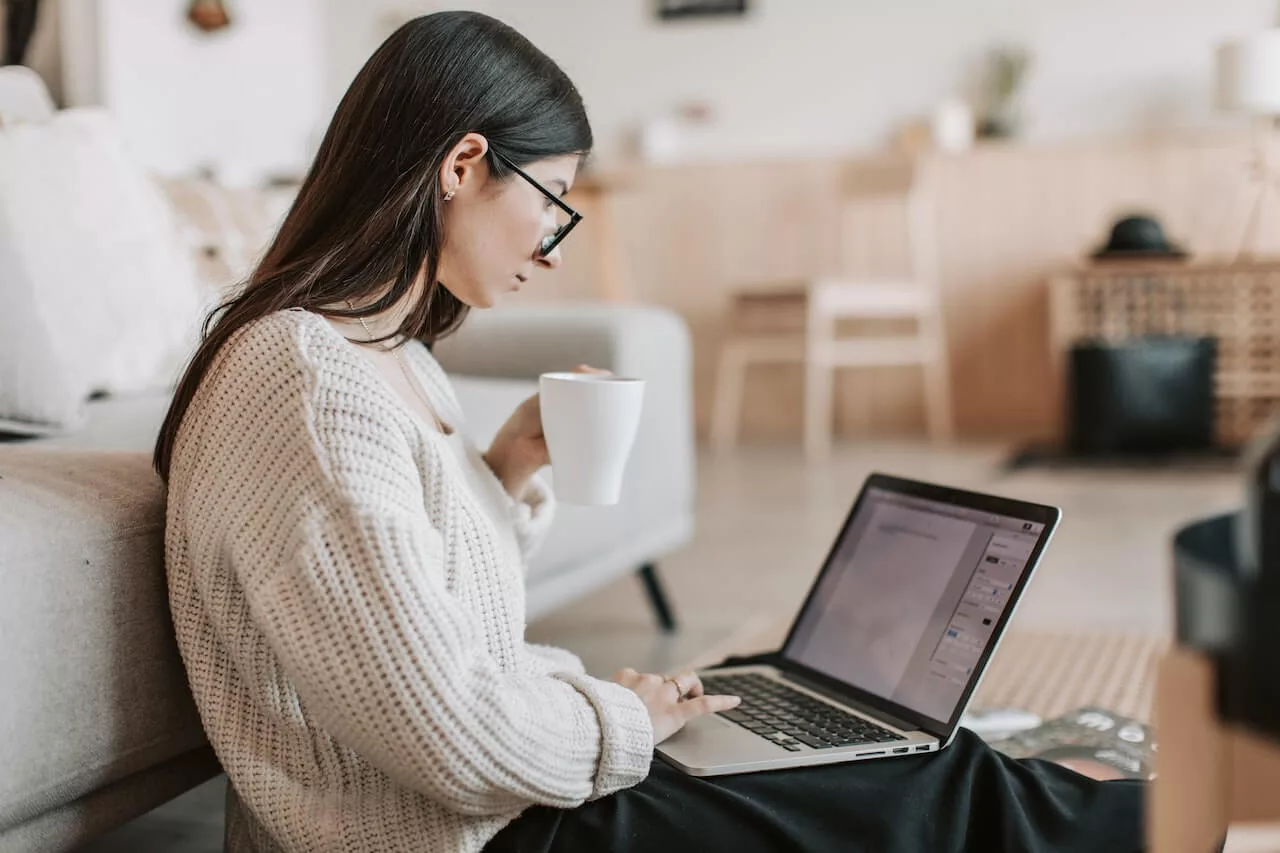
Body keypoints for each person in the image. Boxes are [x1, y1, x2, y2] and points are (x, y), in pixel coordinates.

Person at [155, 11, 1144, 853]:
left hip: (502, 804)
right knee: (947, 787)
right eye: (550, 203)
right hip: (471, 832)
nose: (549, 249)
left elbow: (427, 631)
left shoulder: (386, 357)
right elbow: (446, 732)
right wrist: (624, 718)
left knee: (922, 766)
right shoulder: (304, 379)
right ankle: (1197, 811)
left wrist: (497, 478)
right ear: (463, 163)